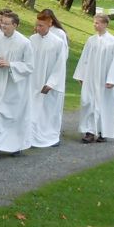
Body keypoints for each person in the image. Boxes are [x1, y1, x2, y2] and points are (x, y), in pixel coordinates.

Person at [0, 12, 33, 159]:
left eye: (6, 23)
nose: (2, 25)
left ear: (15, 25)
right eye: (1, 22)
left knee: (13, 116)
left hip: (16, 85)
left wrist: (11, 64)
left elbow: (30, 66)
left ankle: (15, 145)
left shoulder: (24, 43)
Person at [74, 13, 114, 143]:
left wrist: (112, 79)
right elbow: (84, 59)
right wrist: (81, 75)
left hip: (104, 79)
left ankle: (103, 131)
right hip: (91, 77)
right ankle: (89, 131)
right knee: (88, 102)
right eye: (94, 22)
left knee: (104, 104)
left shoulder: (113, 42)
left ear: (105, 24)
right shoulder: (91, 40)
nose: (95, 25)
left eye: (98, 23)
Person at [28, 12, 67, 148]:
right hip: (34, 81)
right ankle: (32, 137)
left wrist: (51, 83)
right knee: (34, 109)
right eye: (37, 25)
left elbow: (60, 64)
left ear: (50, 23)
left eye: (41, 25)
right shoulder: (32, 40)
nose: (38, 28)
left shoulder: (58, 42)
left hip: (50, 82)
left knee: (50, 111)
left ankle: (51, 136)